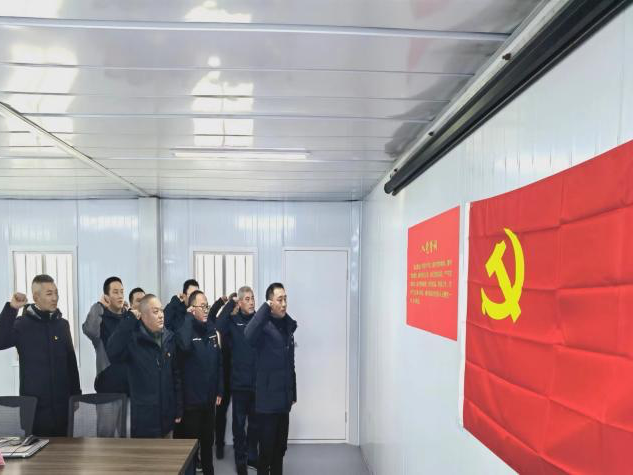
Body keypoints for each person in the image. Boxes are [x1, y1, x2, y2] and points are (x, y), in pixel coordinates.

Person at [0, 274, 81, 436]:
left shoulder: (62, 325)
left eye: (56, 293)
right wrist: (12, 308)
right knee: (38, 451)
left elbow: (71, 362)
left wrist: (76, 395)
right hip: (35, 409)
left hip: (62, 407)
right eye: (49, 294)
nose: (55, 298)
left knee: (66, 449)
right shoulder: (22, 324)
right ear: (36, 297)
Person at [107, 294, 183, 438]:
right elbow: (112, 351)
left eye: (161, 310)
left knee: (168, 451)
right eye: (155, 311)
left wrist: (178, 408)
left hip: (167, 419)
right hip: (145, 421)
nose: (161, 315)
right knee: (146, 453)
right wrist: (129, 320)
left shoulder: (168, 338)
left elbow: (175, 375)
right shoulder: (133, 341)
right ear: (143, 316)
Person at [245, 283, 297, 475]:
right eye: (279, 300)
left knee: (280, 450)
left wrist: (293, 392)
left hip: (283, 401)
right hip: (267, 403)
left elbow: (290, 364)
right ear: (270, 302)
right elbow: (248, 334)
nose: (284, 304)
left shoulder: (288, 327)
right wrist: (264, 308)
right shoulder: (262, 327)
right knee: (266, 452)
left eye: (285, 299)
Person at [176, 290, 223, 475]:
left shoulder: (212, 331)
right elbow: (184, 346)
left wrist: (220, 389)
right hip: (192, 403)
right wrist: (188, 318)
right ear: (192, 308)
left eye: (207, 306)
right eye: (201, 306)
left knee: (208, 444)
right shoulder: (185, 329)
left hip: (209, 401)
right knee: (191, 449)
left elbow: (219, 363)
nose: (205, 309)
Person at [216, 286, 258, 475]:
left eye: (252, 298)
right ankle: (240, 462)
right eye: (247, 299)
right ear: (240, 303)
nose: (251, 302)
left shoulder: (259, 320)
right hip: (239, 384)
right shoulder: (233, 322)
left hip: (257, 384)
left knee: (255, 425)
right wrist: (230, 304)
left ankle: (252, 457)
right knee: (239, 426)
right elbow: (218, 326)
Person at [82, 276, 130, 394]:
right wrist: (99, 305)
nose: (120, 296)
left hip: (131, 385)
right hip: (108, 385)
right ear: (106, 297)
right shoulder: (101, 320)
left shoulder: (129, 318)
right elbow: (90, 330)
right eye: (115, 292)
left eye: (122, 292)